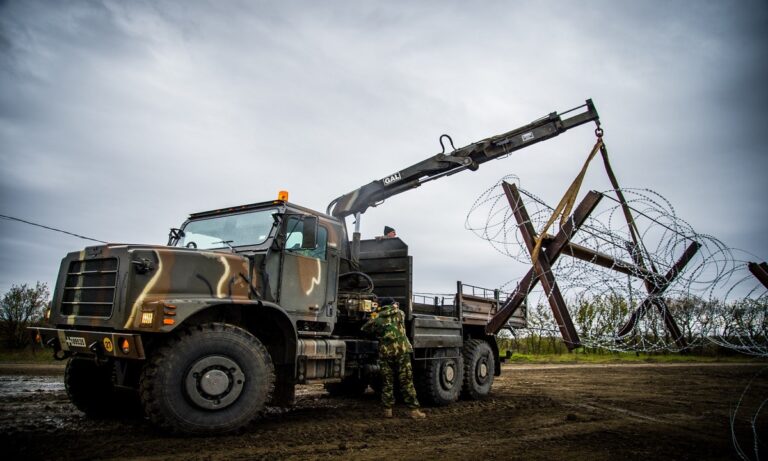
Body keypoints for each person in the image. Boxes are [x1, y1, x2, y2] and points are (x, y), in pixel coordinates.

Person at [361, 297, 426, 419]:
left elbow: (365, 328)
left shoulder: (377, 317)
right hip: (402, 351)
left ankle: (388, 410)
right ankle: (414, 410)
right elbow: (399, 311)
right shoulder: (400, 313)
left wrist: (374, 313)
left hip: (385, 353)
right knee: (406, 381)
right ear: (392, 304)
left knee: (387, 381)